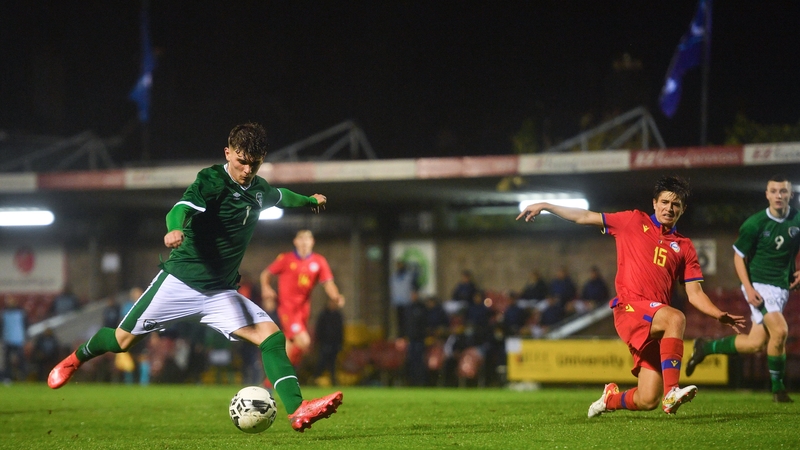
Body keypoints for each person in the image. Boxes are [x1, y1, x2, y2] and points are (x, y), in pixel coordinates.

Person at [47, 122, 342, 432]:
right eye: (241, 161)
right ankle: (76, 358)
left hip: (221, 293)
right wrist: (174, 228)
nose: (246, 170)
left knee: (272, 337)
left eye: (254, 164)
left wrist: (310, 201)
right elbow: (179, 209)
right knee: (121, 341)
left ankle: (297, 409)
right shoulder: (211, 180)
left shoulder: (259, 190)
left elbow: (282, 196)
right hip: (180, 283)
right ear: (227, 153)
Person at [517, 175, 745, 417]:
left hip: (654, 320)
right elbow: (584, 216)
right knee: (676, 318)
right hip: (630, 308)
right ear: (654, 203)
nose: (669, 208)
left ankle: (610, 400)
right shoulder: (633, 221)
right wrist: (546, 206)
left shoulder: (684, 246)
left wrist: (717, 314)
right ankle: (672, 392)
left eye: (675, 204)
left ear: (683, 209)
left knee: (647, 399)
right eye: (665, 202)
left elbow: (695, 292)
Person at [685, 175, 800, 402]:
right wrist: (748, 288)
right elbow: (738, 257)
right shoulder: (755, 224)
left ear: (790, 194)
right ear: (767, 195)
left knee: (755, 343)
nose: (778, 195)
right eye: (774, 191)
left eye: (783, 191)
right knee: (780, 331)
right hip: (759, 285)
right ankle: (778, 390)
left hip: (780, 288)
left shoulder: (797, 220)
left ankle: (705, 348)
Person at [260, 230, 345, 367]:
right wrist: (266, 288)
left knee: (290, 346)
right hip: (288, 309)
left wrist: (335, 296)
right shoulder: (286, 259)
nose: (304, 242)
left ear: (312, 242)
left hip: (303, 310)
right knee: (304, 342)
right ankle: (283, 373)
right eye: (301, 239)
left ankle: (275, 377)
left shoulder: (319, 261)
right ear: (295, 242)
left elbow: (328, 283)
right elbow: (266, 274)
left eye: (307, 239)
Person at [313, 297, 344, 386]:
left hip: (334, 343)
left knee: (333, 363)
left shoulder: (338, 315)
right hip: (324, 343)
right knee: (321, 362)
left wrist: (340, 342)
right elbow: (319, 329)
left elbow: (341, 330)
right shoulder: (323, 315)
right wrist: (318, 341)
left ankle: (333, 380)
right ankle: (315, 379)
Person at [390, 259, 419, 338]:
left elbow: (415, 288)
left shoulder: (409, 276)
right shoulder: (393, 276)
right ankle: (400, 336)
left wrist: (414, 296)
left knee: (408, 320)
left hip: (407, 302)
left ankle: (407, 335)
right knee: (399, 321)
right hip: (397, 302)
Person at [2, 296, 28, 381]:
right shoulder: (4, 313)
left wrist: (26, 338)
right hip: (8, 340)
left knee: (21, 360)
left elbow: (26, 326)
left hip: (18, 339)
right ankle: (8, 378)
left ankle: (22, 377)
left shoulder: (20, 313)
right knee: (7, 361)